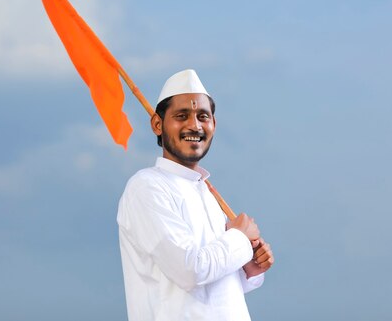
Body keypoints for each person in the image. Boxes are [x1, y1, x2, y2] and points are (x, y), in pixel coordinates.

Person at [117, 69, 274, 321]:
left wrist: (248, 269)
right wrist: (239, 238)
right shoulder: (146, 187)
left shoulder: (207, 192)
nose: (194, 125)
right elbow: (190, 271)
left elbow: (212, 287)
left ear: (213, 124)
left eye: (203, 116)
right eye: (182, 116)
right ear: (157, 124)